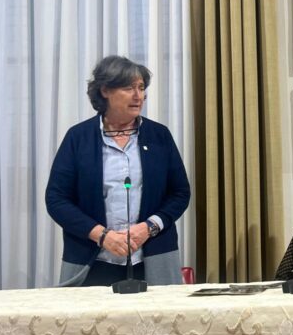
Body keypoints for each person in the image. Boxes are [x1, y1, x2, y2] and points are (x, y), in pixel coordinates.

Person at [45, 55, 190, 286]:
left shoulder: (159, 136)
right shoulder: (78, 138)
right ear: (105, 91)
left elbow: (180, 193)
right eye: (129, 88)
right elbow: (57, 200)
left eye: (141, 88)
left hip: (152, 257)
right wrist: (102, 236)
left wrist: (149, 227)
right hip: (93, 260)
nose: (138, 96)